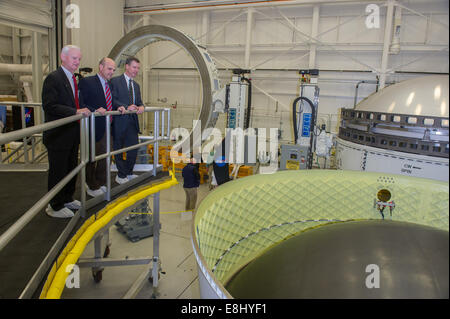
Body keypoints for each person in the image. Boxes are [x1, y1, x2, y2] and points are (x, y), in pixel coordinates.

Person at [42, 45, 91, 218]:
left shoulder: (73, 78)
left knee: (71, 167)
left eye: (79, 59)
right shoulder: (54, 78)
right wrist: (74, 111)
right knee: (58, 170)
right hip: (58, 135)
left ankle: (67, 197)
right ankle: (54, 205)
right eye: (74, 58)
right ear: (63, 57)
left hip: (72, 133)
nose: (77, 62)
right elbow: (49, 105)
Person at [78, 57, 116, 197]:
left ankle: (99, 183)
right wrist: (95, 110)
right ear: (101, 67)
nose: (111, 72)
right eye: (109, 69)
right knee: (91, 158)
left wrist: (123, 106)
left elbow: (111, 101)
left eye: (113, 70)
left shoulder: (109, 84)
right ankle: (91, 185)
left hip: (107, 126)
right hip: (93, 126)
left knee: (106, 156)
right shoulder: (87, 82)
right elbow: (81, 103)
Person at [110, 57, 145, 184]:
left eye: (138, 68)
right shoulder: (115, 82)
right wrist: (126, 107)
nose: (136, 70)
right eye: (134, 67)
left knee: (133, 149)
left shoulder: (136, 85)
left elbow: (140, 102)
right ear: (127, 66)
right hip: (119, 122)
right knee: (118, 148)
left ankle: (128, 172)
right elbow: (112, 100)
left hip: (132, 122)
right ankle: (121, 174)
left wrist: (141, 107)